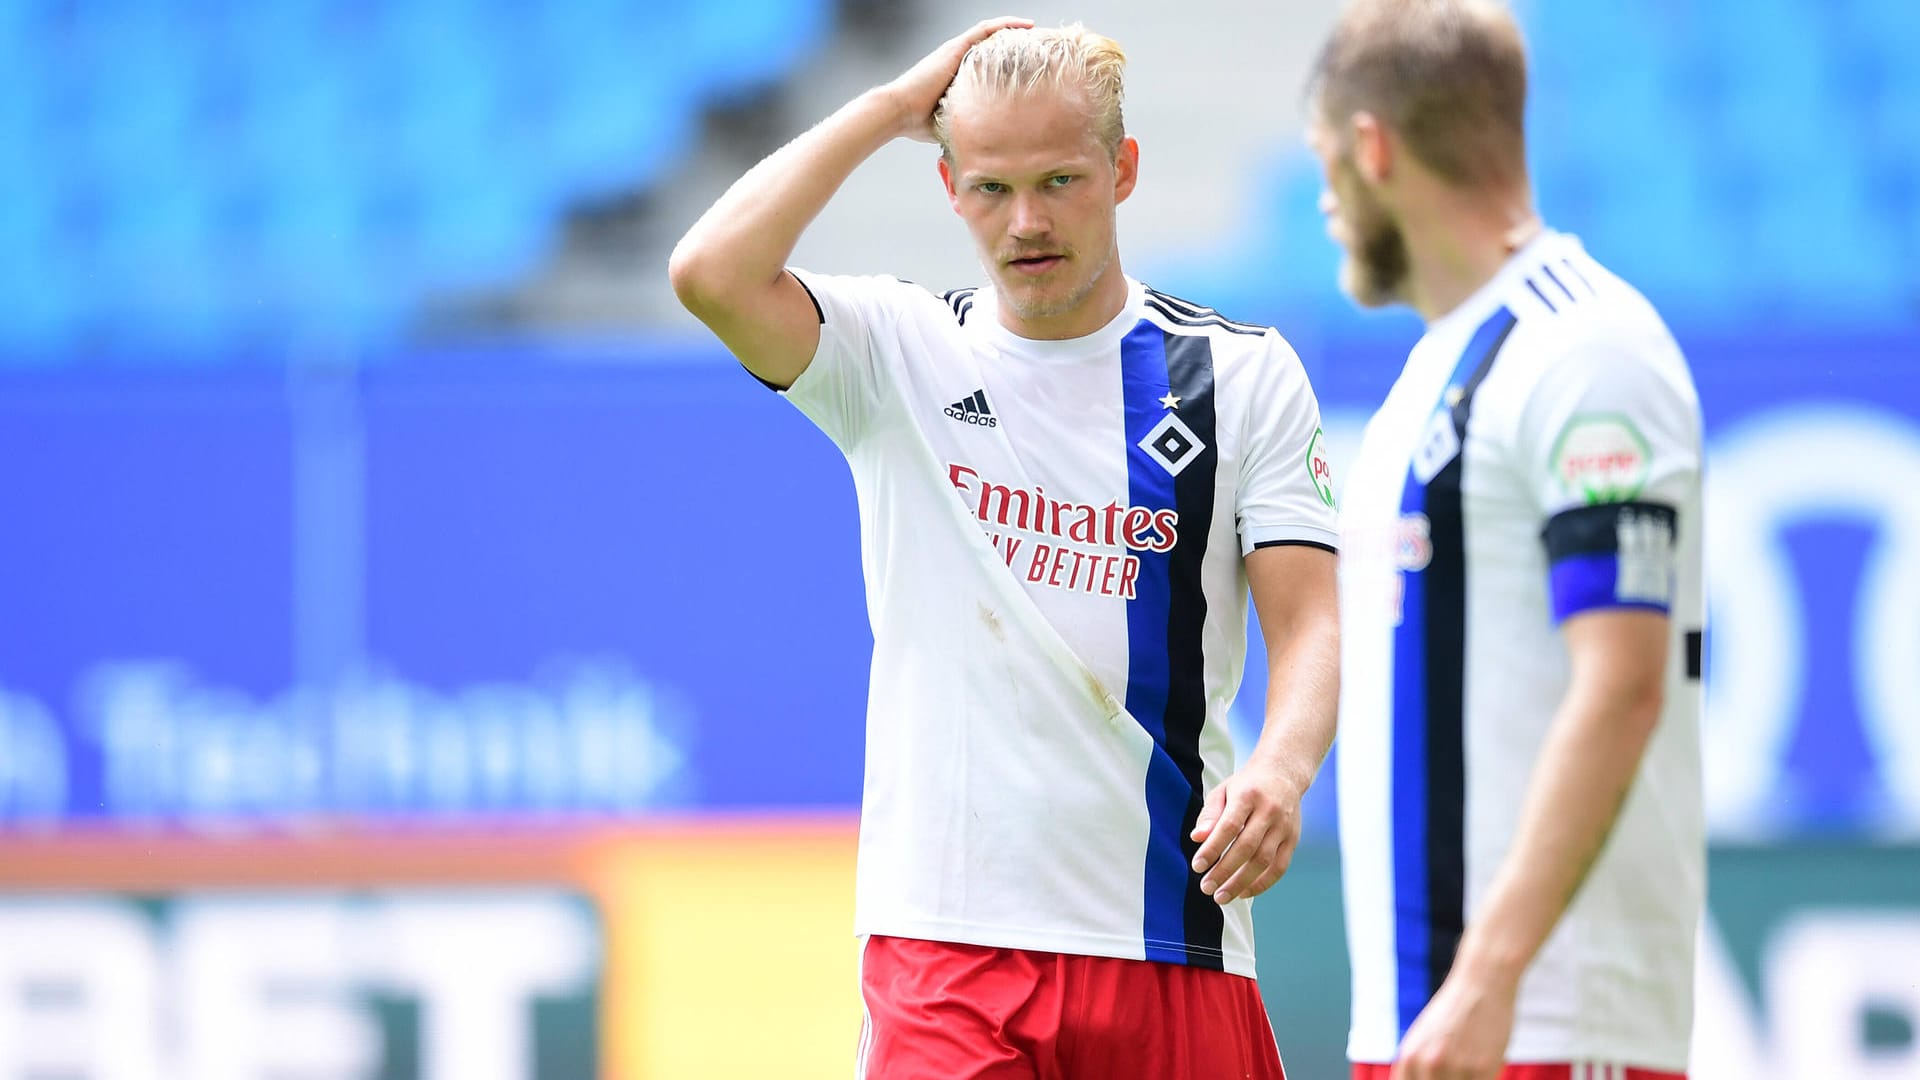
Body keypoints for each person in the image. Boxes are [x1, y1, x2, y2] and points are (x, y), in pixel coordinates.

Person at [671, 18, 1341, 1079]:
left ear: (1123, 170)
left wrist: (1284, 769)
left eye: (1061, 180)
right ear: (946, 189)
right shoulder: (893, 351)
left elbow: (1312, 620)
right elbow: (710, 271)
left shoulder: (1239, 376)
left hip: (1171, 938)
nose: (1026, 221)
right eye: (989, 188)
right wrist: (891, 107)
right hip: (946, 951)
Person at [1300, 2, 1707, 1079]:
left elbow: (1623, 683)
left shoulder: (1588, 351)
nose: (1327, 203)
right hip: (1428, 1029)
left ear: (1372, 149)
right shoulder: (1432, 373)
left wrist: (1488, 979)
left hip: (1545, 1028)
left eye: (1327, 163)